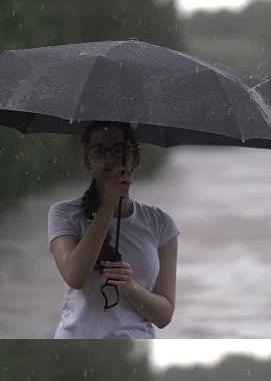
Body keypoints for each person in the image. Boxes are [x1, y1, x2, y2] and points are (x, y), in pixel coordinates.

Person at [48, 121, 180, 338]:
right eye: (99, 151)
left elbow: (164, 316)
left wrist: (131, 287)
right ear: (87, 162)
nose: (109, 160)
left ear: (135, 160)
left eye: (119, 151)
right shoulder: (63, 213)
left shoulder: (161, 223)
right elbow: (75, 276)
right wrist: (108, 206)